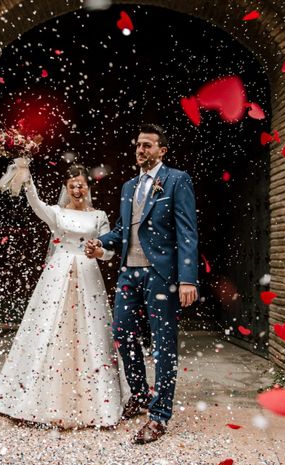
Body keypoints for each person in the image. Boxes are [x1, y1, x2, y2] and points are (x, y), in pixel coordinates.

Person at [0, 164, 125, 428]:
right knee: (48, 329)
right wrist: (28, 181)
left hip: (88, 275)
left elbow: (108, 250)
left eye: (81, 184)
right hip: (58, 274)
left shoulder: (99, 216)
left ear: (87, 187)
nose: (76, 189)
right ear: (66, 187)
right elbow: (37, 204)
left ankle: (96, 400)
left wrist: (98, 252)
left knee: (91, 331)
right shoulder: (57, 213)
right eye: (72, 184)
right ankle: (36, 397)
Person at [86, 123, 199, 444]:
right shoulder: (128, 187)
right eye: (138, 145)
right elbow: (123, 230)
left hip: (160, 275)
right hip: (129, 273)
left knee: (164, 344)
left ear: (162, 150)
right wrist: (100, 242)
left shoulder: (177, 180)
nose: (140, 150)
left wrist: (188, 278)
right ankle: (138, 394)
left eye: (147, 145)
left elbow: (187, 232)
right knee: (122, 333)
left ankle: (160, 414)